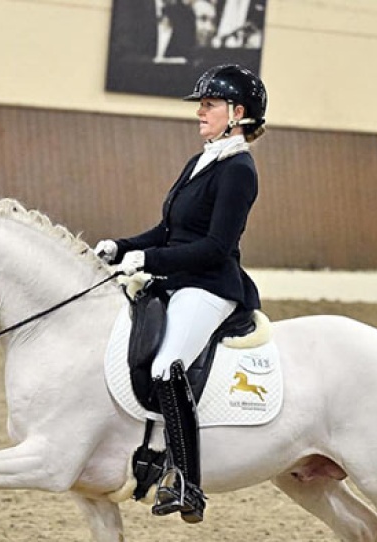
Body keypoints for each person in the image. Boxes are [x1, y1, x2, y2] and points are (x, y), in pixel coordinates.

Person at [94, 64, 267, 524]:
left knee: (166, 366)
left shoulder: (238, 170)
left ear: (237, 113)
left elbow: (214, 247)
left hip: (210, 285)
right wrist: (123, 247)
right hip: (180, 278)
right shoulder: (202, 160)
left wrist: (149, 262)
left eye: (208, 105)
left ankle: (189, 484)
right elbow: (169, 230)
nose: (200, 113)